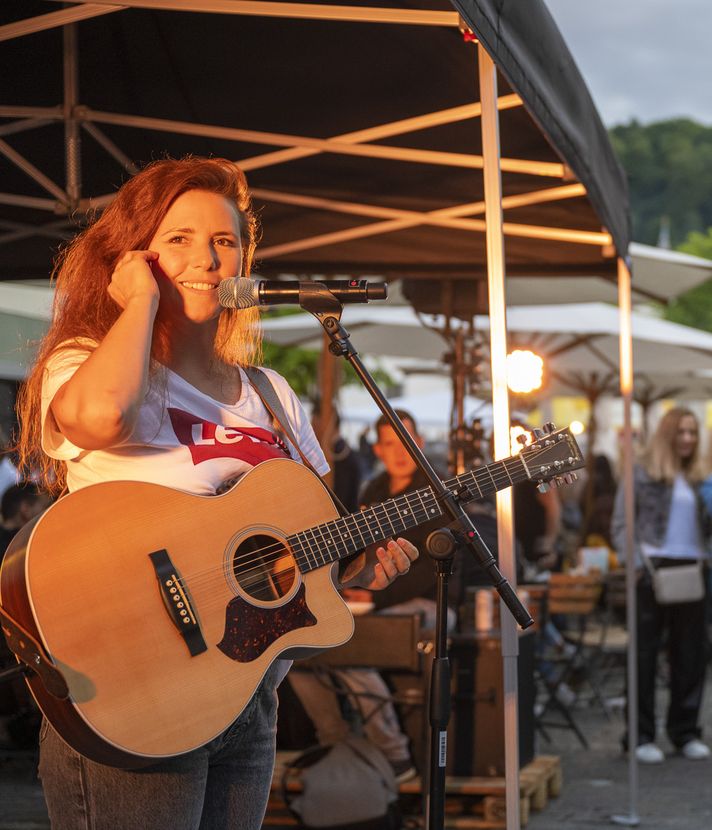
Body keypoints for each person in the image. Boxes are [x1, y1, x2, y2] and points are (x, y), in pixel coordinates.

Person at [13, 156, 418, 830]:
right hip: (136, 696)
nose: (207, 258)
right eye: (179, 239)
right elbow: (103, 418)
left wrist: (356, 561)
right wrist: (140, 302)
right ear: (132, 257)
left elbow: (310, 532)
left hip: (247, 700)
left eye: (224, 241)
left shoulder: (270, 394)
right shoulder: (82, 362)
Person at [289, 410, 457, 782]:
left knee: (352, 651)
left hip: (431, 603)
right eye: (390, 443)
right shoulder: (373, 490)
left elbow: (438, 570)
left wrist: (374, 601)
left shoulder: (435, 492)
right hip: (371, 603)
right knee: (297, 655)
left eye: (407, 442)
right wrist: (353, 584)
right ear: (378, 449)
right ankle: (336, 745)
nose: (399, 452)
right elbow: (358, 557)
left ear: (421, 445)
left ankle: (396, 756)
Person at [611, 406, 711, 764]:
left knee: (691, 655)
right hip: (651, 569)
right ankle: (640, 735)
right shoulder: (640, 472)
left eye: (692, 432)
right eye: (681, 432)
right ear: (667, 434)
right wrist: (634, 564)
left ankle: (685, 732)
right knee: (644, 656)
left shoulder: (703, 476)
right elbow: (622, 523)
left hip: (694, 569)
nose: (687, 439)